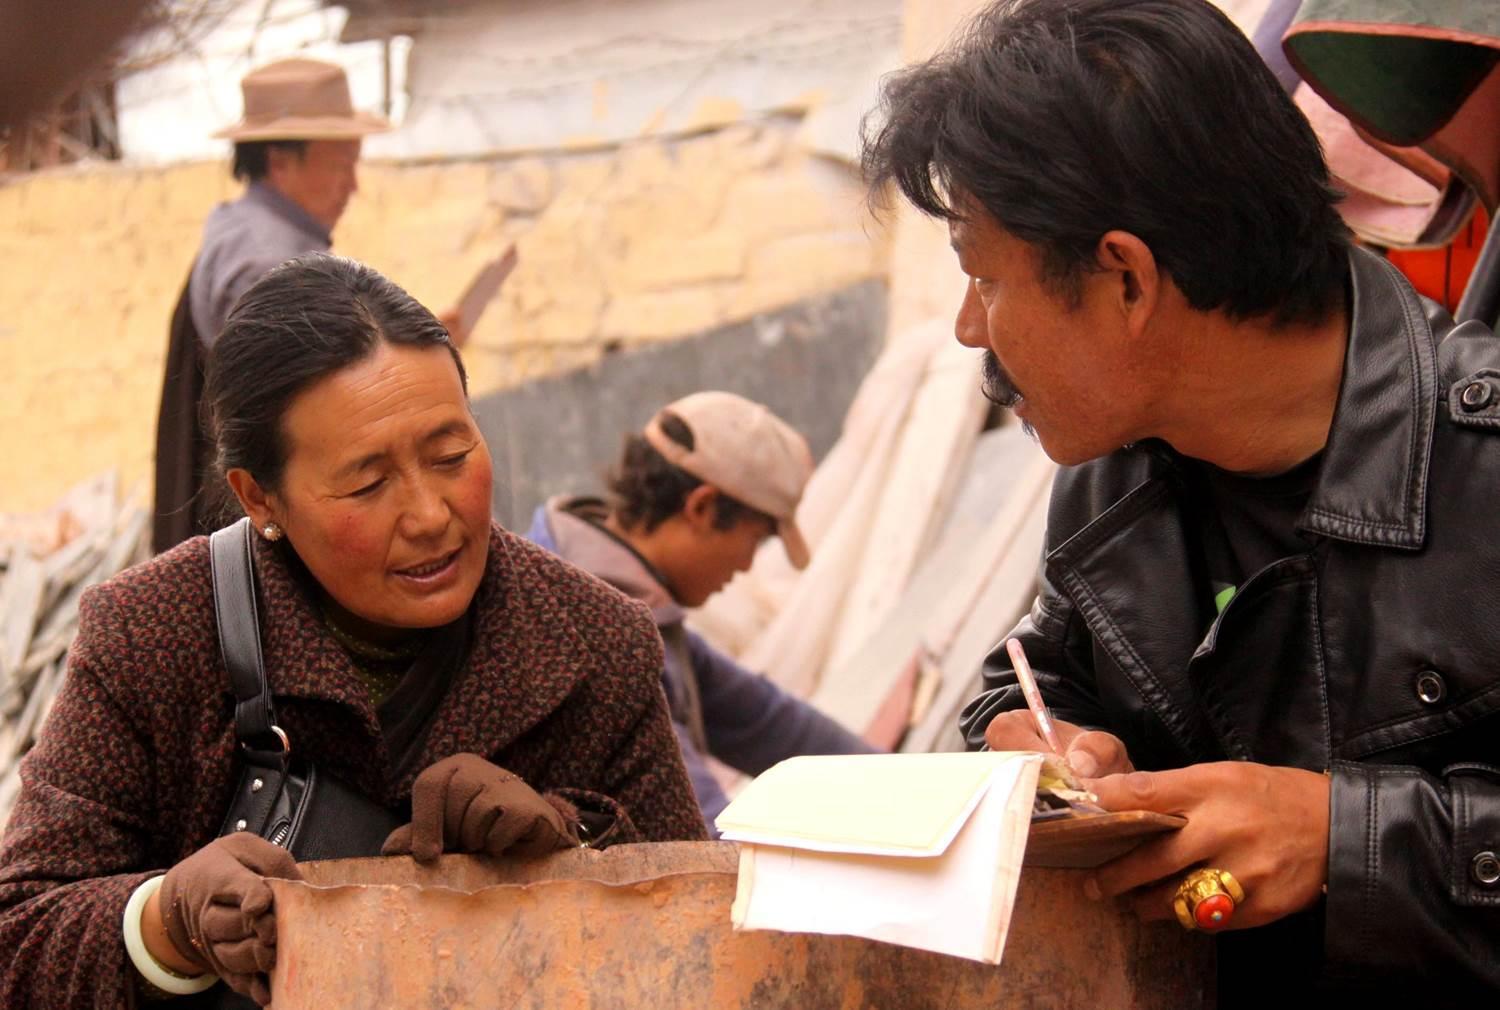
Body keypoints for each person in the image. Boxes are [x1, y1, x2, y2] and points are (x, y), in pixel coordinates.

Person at [861, 0, 1499, 1004]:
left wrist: (1342, 835)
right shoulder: (1116, 473)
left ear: (1126, 278)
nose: (966, 328)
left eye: (984, 278)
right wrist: (1036, 737)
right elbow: (1039, 669)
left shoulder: (1484, 467)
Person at [0, 254, 705, 1008]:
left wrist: (567, 846)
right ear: (259, 497)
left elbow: (698, 928)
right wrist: (166, 920)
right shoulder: (154, 633)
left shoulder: (596, 643)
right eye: (367, 483)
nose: (431, 515)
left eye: (451, 454)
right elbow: (21, 934)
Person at [526, 392, 878, 834]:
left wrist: (917, 787)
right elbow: (702, 833)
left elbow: (772, 723)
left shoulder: (639, 605)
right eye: (757, 537)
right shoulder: (583, 626)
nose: (748, 565)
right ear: (702, 507)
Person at [152, 57, 389, 554]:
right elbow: (298, 408)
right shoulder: (265, 260)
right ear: (281, 161)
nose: (353, 185)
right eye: (342, 164)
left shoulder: (243, 233)